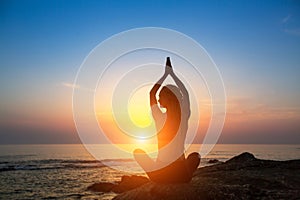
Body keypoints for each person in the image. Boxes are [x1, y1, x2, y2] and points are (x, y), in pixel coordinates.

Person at [134, 57, 200, 183]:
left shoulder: (159, 116)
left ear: (168, 98)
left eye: (161, 97)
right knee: (196, 156)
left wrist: (165, 74)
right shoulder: (184, 114)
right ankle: (187, 175)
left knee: (137, 152)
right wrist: (172, 75)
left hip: (159, 176)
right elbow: (185, 93)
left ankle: (156, 176)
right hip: (181, 176)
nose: (158, 100)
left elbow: (151, 93)